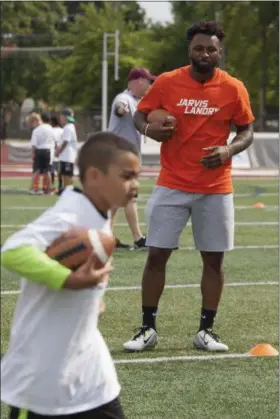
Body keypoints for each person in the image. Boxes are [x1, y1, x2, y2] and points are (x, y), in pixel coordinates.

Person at [123, 21, 254, 352]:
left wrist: (229, 150)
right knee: (155, 256)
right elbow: (141, 115)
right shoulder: (167, 83)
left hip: (216, 186)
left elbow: (246, 131)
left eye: (211, 49)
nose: (205, 53)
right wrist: (148, 131)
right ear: (189, 50)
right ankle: (147, 329)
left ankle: (206, 331)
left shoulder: (234, 88)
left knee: (213, 261)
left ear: (219, 52)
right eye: (199, 48)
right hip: (172, 183)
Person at [1, 132, 140, 419]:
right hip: (42, 380)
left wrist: (91, 303)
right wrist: (68, 280)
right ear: (94, 176)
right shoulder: (69, 217)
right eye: (126, 176)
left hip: (92, 375)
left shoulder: (98, 215)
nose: (135, 186)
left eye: (137, 176)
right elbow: (12, 251)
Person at [108, 68, 156, 250]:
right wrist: (121, 110)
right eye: (149, 81)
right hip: (122, 155)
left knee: (116, 199)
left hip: (121, 155)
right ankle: (138, 238)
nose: (150, 85)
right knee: (130, 197)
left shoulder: (136, 101)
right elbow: (120, 108)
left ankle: (107, 237)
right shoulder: (124, 98)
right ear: (139, 81)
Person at [27, 112, 55, 195]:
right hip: (47, 151)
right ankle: (49, 190)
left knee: (37, 170)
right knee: (47, 171)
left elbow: (34, 145)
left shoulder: (36, 130)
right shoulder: (50, 128)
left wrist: (33, 154)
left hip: (39, 151)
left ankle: (32, 188)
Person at [56, 108, 78, 192]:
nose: (60, 118)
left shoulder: (68, 127)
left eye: (61, 116)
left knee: (67, 175)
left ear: (65, 117)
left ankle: (68, 191)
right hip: (66, 156)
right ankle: (66, 190)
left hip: (68, 156)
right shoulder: (68, 127)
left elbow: (65, 142)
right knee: (65, 174)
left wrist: (59, 151)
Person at [50, 115, 63, 191]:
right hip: (61, 153)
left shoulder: (50, 130)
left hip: (52, 153)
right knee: (59, 172)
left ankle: (51, 185)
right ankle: (60, 186)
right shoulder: (62, 130)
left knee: (51, 171)